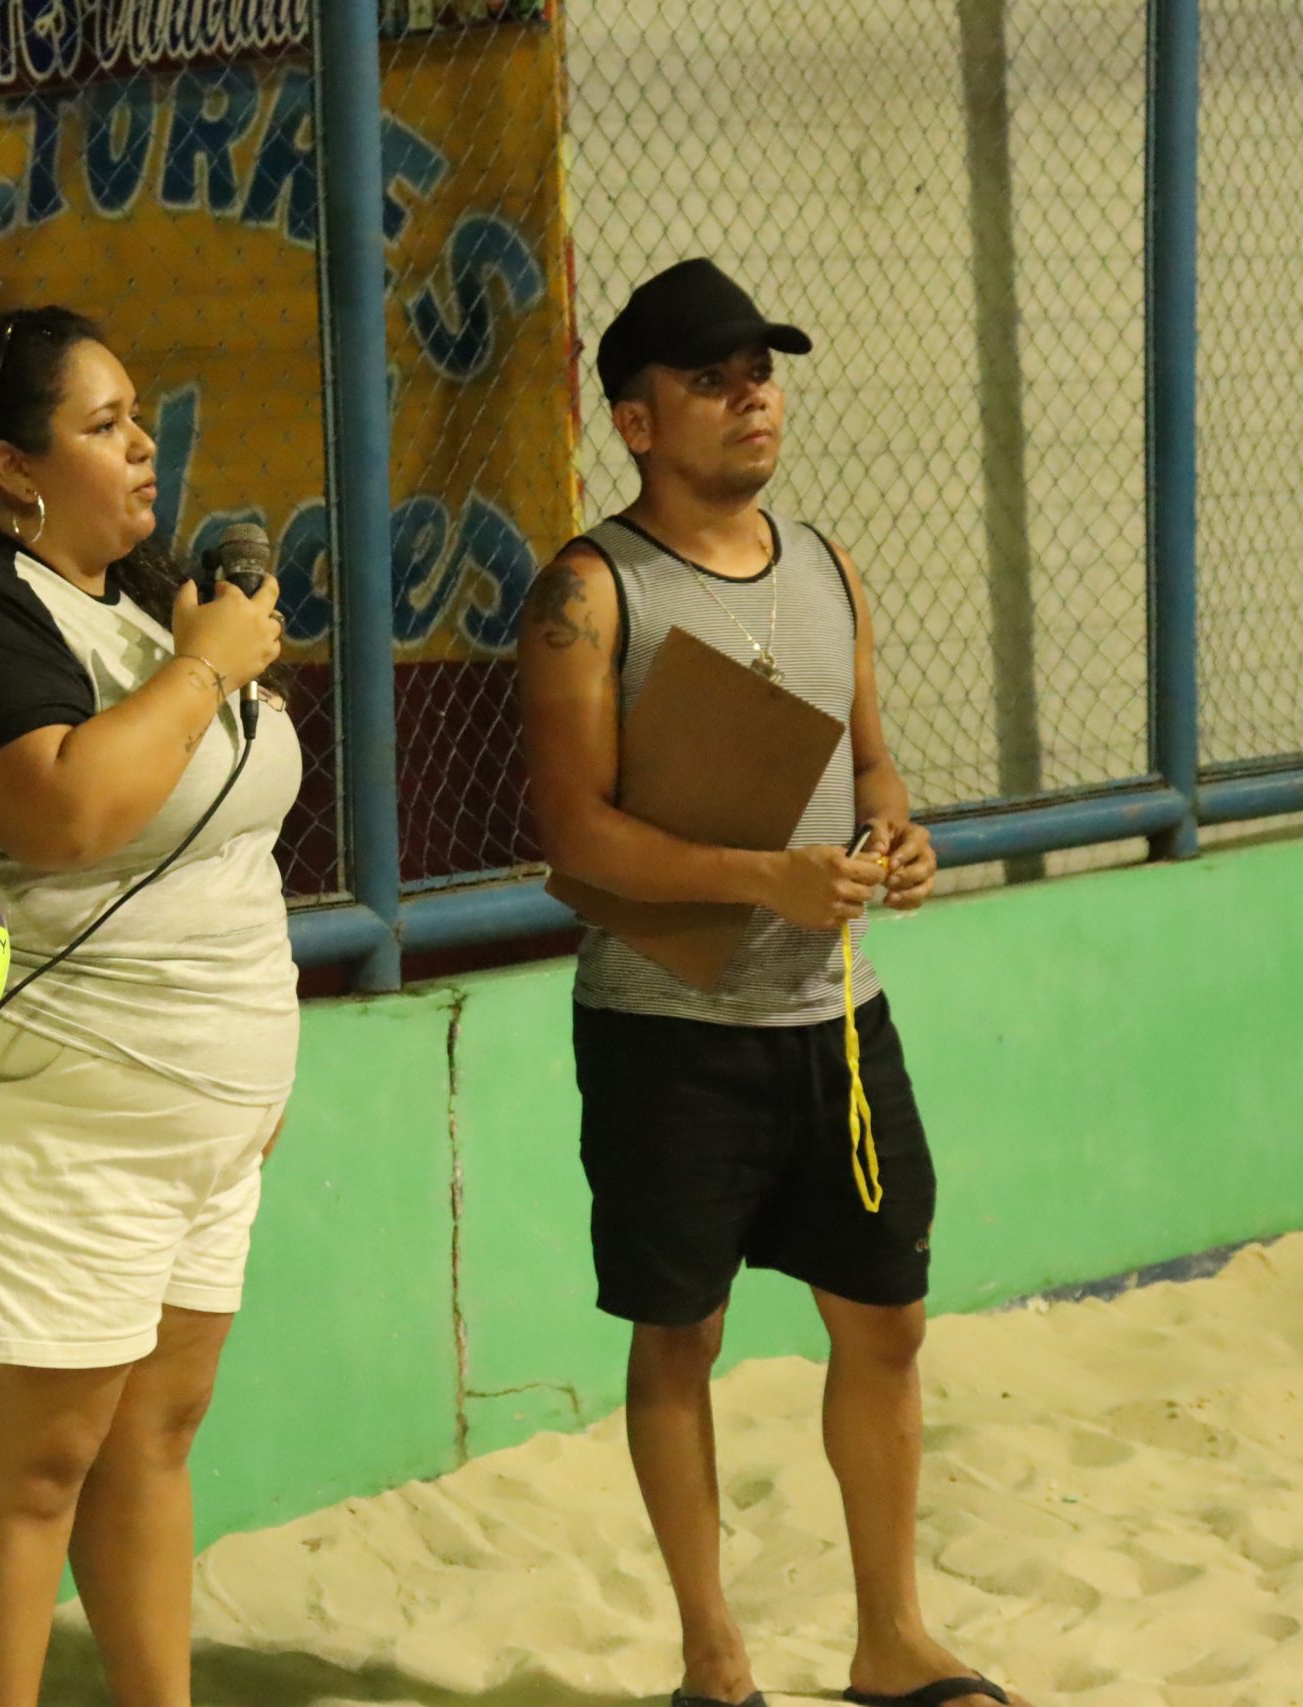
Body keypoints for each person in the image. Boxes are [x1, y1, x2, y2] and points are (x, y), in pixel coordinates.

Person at [514, 259, 1024, 1707]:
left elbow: (870, 755)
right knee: (680, 1337)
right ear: (633, 416)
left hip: (836, 1020)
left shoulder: (826, 564)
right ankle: (713, 1659)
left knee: (888, 1323)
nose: (752, 395)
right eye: (712, 376)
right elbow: (577, 828)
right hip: (667, 1035)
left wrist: (896, 835)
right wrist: (763, 879)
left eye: (763, 369)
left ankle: (889, 1638)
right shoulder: (589, 592)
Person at [0, 306, 298, 1707]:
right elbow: (61, 813)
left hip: (206, 1120)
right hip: (54, 1110)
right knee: (35, 1462)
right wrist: (205, 669)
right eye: (104, 424)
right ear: (12, 464)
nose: (142, 447)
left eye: (141, 417)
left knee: (155, 1438)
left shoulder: (146, 605)